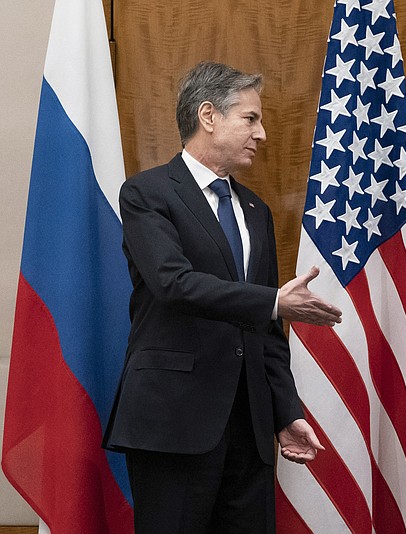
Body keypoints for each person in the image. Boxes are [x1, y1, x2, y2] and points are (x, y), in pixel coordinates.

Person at [103, 61, 343, 533]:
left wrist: (286, 412)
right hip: (174, 422)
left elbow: (268, 333)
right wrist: (273, 301)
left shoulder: (257, 211)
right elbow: (174, 283)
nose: (263, 133)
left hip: (248, 429)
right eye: (250, 119)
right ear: (208, 116)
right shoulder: (147, 193)